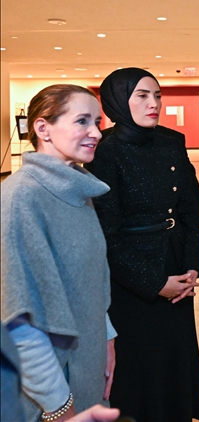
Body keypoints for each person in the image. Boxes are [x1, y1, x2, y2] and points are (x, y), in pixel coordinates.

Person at [84, 68, 199, 422]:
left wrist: (190, 268)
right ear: (117, 101)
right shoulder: (104, 153)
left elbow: (190, 210)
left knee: (174, 357)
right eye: (142, 95)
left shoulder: (171, 141)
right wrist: (155, 284)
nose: (153, 103)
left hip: (176, 265)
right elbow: (106, 236)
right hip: (131, 279)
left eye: (156, 95)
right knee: (140, 367)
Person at [1, 85, 115, 421]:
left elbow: (86, 280)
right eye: (82, 121)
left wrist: (105, 337)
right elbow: (19, 322)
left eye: (97, 121)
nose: (95, 132)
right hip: (49, 397)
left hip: (85, 373)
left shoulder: (76, 189)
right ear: (42, 128)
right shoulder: (21, 199)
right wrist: (59, 407)